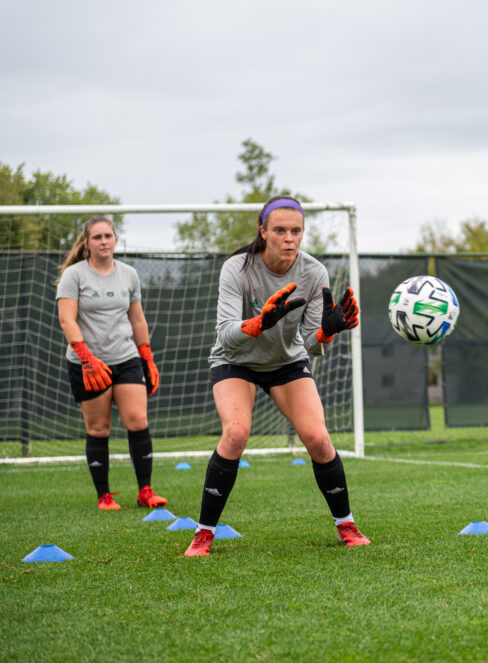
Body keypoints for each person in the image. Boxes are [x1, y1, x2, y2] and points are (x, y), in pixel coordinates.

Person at [183, 196, 368, 557]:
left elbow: (313, 345)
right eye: (280, 230)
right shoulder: (237, 268)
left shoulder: (314, 273)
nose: (289, 238)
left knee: (317, 438)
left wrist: (327, 332)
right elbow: (224, 334)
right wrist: (257, 324)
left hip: (286, 361)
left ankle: (346, 524)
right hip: (236, 361)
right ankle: (204, 533)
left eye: (296, 231)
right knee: (236, 433)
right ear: (263, 230)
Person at [55, 216, 167, 511]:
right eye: (97, 237)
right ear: (87, 242)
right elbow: (67, 319)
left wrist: (147, 356)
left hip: (126, 358)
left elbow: (137, 319)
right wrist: (86, 357)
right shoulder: (74, 275)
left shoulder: (129, 274)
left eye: (108, 236)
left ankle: (146, 491)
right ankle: (104, 495)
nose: (104, 241)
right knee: (99, 428)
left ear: (115, 240)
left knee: (138, 420)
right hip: (87, 363)